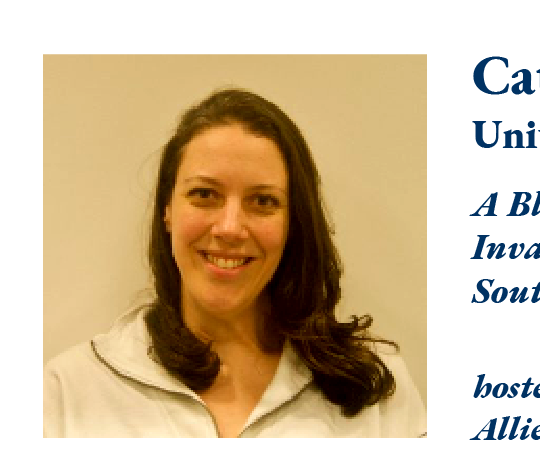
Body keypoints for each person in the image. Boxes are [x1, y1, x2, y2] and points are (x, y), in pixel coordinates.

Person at [44, 89, 426, 437]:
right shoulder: (70, 391)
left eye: (263, 201)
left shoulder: (376, 387)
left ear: (294, 222)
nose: (230, 228)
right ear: (167, 211)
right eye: (204, 194)